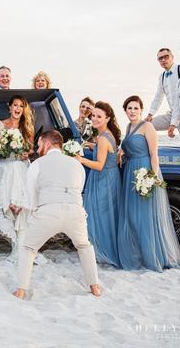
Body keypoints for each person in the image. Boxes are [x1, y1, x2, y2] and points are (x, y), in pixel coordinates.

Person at [13, 130, 101, 300]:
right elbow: (78, 188)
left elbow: (32, 196)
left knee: (28, 248)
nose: (37, 149)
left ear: (47, 144)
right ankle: (95, 287)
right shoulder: (76, 164)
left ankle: (21, 290)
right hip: (75, 211)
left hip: (48, 211)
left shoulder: (37, 164)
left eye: (39, 145)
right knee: (84, 246)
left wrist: (33, 212)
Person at [118, 96, 180, 271]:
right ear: (125, 111)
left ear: (141, 110)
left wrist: (153, 177)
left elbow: (154, 154)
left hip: (144, 170)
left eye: (135, 108)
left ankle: (153, 255)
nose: (132, 111)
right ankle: (138, 252)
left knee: (145, 215)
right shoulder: (128, 127)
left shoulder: (148, 126)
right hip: (130, 171)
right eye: (129, 108)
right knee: (132, 214)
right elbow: (127, 148)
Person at [76, 102, 122, 268]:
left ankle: (102, 252)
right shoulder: (107, 135)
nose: (94, 119)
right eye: (93, 115)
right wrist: (91, 145)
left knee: (99, 215)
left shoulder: (103, 138)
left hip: (103, 180)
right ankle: (104, 248)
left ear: (107, 119)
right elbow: (105, 150)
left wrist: (81, 159)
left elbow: (99, 165)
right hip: (110, 177)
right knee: (107, 215)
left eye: (99, 116)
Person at [0, 95, 34, 258]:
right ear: (9, 107)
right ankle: (15, 243)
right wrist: (5, 151)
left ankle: (21, 244)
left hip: (21, 166)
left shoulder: (27, 127)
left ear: (24, 109)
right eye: (15, 105)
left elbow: (30, 149)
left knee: (20, 206)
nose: (17, 109)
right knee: (8, 204)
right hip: (5, 166)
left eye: (21, 106)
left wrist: (25, 153)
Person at [145, 48, 180, 146]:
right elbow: (158, 97)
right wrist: (150, 114)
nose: (163, 60)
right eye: (160, 58)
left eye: (166, 57)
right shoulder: (162, 76)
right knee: (146, 125)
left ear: (172, 57)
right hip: (172, 114)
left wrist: (173, 124)